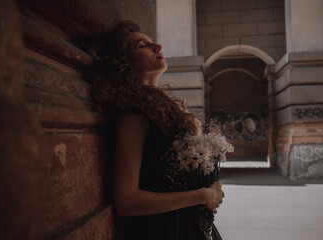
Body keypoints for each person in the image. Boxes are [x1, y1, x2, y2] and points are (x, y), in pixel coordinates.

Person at [92, 20, 224, 240]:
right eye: (143, 45)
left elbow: (179, 175)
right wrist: (203, 195)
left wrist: (196, 135)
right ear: (125, 62)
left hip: (188, 224)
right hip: (165, 230)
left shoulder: (164, 110)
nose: (158, 47)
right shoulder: (133, 117)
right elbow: (126, 201)